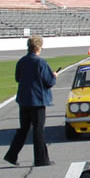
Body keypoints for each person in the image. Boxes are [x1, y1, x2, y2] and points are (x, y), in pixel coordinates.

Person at [4, 35, 57, 167]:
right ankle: (41, 159)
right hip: (37, 100)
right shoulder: (41, 62)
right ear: (39, 47)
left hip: (24, 100)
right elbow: (49, 81)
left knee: (24, 128)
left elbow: (18, 78)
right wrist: (54, 75)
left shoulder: (22, 61)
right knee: (38, 130)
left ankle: (11, 154)